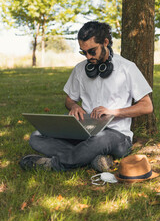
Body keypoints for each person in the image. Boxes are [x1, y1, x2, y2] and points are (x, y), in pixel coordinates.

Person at [20, 21, 153, 172]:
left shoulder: (127, 68)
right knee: (37, 136)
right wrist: (74, 106)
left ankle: (55, 164)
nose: (88, 56)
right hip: (84, 130)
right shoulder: (80, 70)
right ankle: (92, 158)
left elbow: (147, 106)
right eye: (84, 52)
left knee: (101, 139)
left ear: (105, 42)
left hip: (116, 135)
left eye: (92, 51)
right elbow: (69, 100)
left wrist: (114, 112)